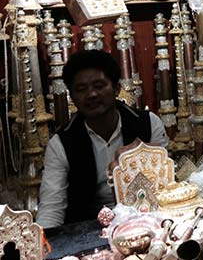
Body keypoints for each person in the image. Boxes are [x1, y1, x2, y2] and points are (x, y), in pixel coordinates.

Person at [36, 50, 169, 229]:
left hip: (145, 221)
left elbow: (165, 186)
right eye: (81, 89)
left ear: (116, 88)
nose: (91, 95)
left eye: (99, 86)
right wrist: (43, 245)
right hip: (87, 231)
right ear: (72, 97)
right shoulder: (61, 143)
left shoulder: (148, 124)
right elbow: (52, 208)